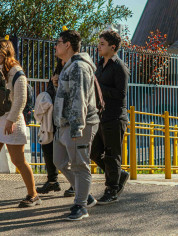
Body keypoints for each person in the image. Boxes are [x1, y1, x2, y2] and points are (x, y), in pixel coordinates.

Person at [0, 38, 41, 208]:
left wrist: (11, 120)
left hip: (12, 120)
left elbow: (21, 99)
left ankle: (33, 195)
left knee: (18, 160)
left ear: (6, 52)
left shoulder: (17, 71)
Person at [53, 29, 99, 220]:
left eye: (58, 42)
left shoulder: (79, 66)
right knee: (60, 161)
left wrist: (77, 127)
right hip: (63, 124)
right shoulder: (69, 66)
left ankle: (81, 206)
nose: (56, 45)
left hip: (79, 124)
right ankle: (84, 194)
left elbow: (79, 98)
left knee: (80, 165)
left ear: (67, 45)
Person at [90, 30, 130, 204]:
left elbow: (120, 94)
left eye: (102, 44)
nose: (98, 46)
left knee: (112, 155)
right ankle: (119, 174)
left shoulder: (119, 66)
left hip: (114, 117)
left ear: (113, 47)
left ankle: (112, 190)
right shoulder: (100, 65)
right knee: (94, 151)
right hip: (100, 117)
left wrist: (98, 88)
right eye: (99, 43)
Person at [36, 58, 75, 197]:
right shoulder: (58, 68)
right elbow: (51, 92)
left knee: (70, 152)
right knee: (47, 146)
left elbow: (72, 95)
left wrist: (58, 86)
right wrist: (54, 84)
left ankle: (75, 185)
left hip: (67, 118)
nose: (56, 48)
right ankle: (52, 181)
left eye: (58, 44)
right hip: (53, 116)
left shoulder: (74, 67)